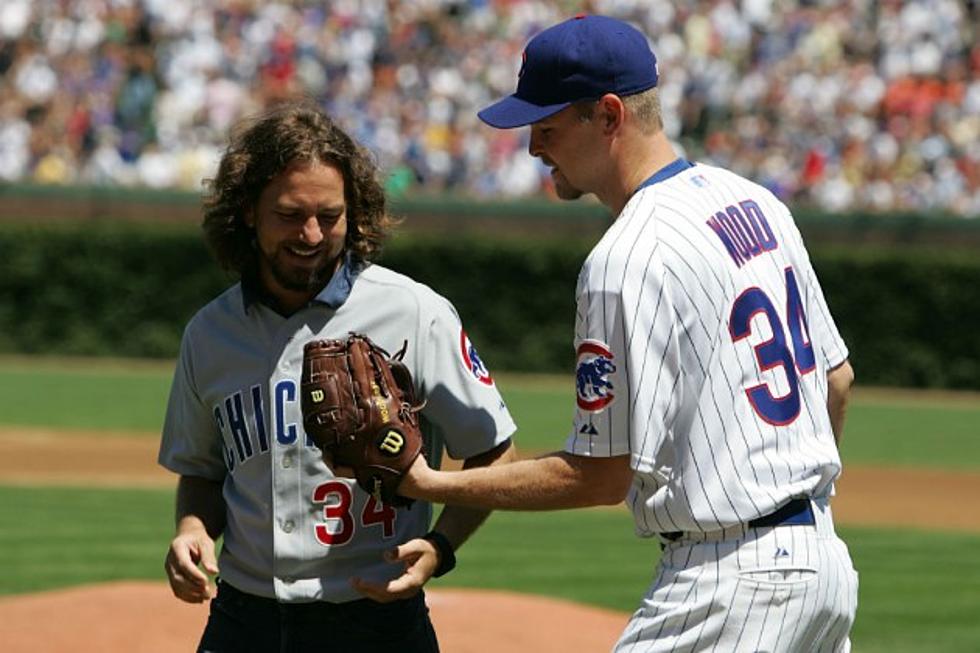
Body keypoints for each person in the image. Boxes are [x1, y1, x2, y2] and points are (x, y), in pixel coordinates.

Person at [398, 14, 858, 652]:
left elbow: (600, 475)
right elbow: (837, 380)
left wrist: (432, 484)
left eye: (549, 126)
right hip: (823, 566)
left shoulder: (625, 258)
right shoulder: (757, 202)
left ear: (609, 116)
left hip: (730, 582)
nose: (534, 147)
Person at [158, 100, 517, 653]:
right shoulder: (210, 334)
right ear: (249, 211)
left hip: (376, 616)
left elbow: (493, 447)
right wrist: (191, 530)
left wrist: (443, 545)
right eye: (288, 213)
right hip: (243, 617)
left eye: (329, 216)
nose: (310, 233)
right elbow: (204, 471)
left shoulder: (414, 312)